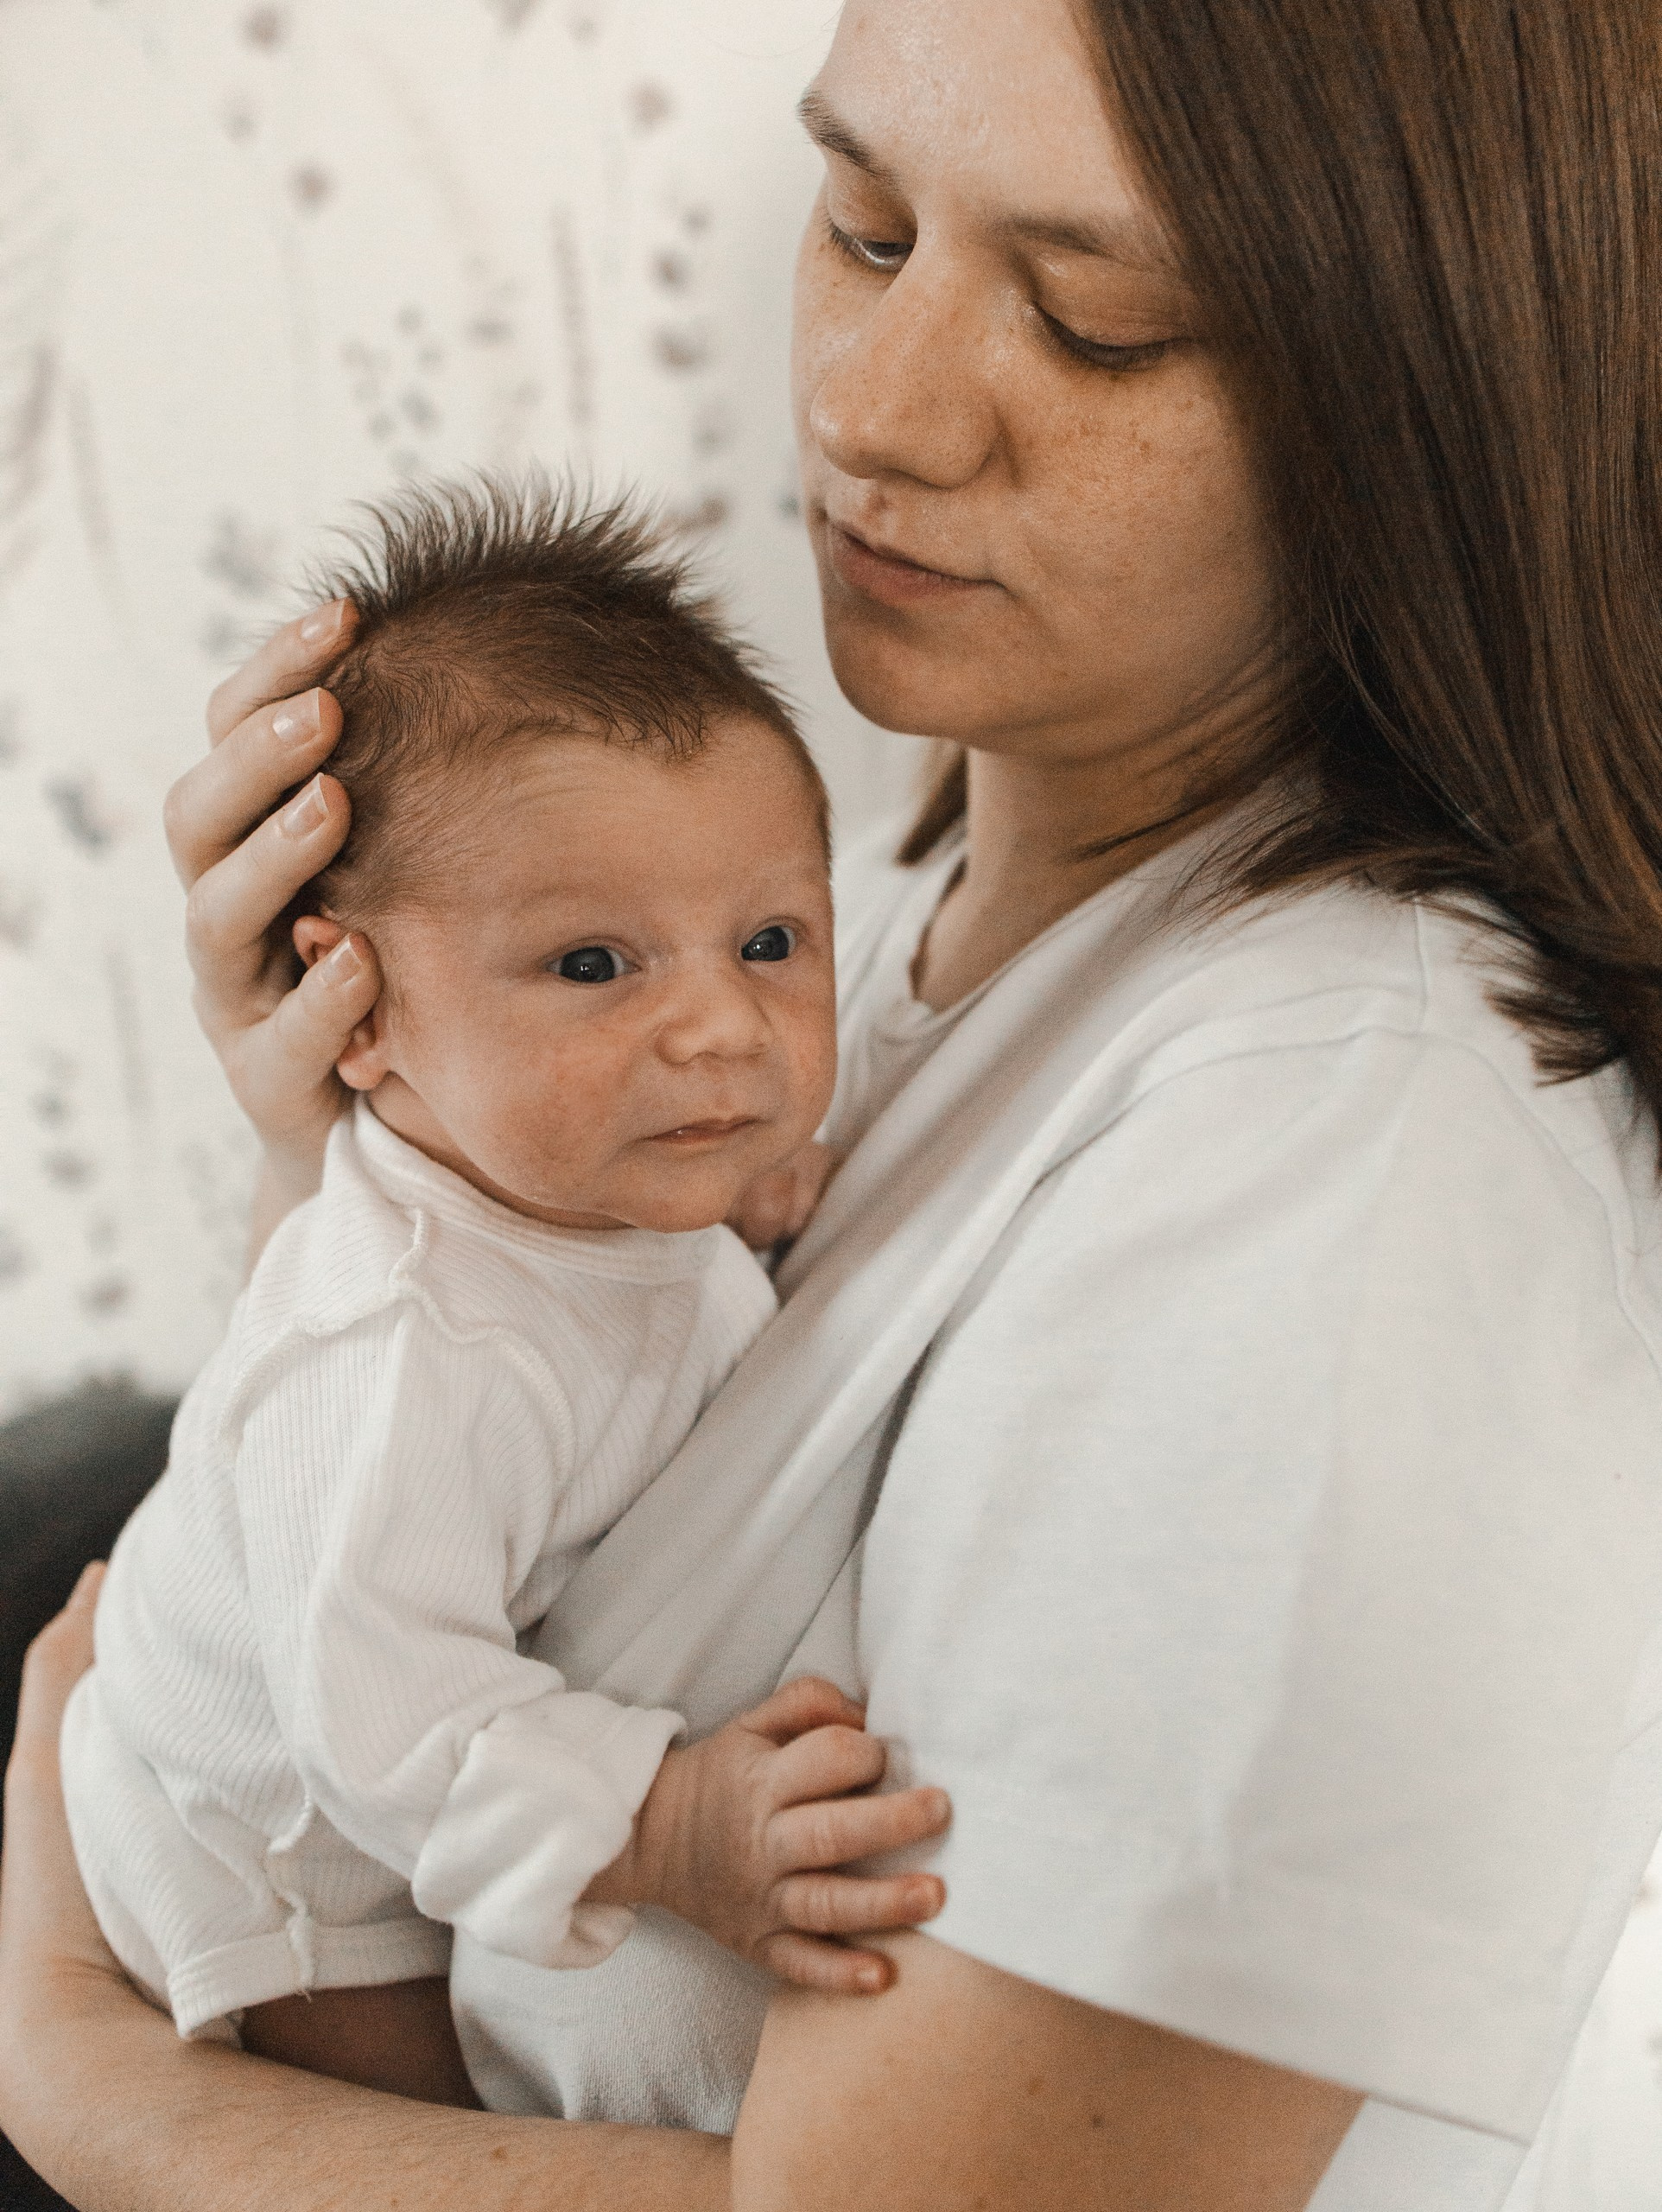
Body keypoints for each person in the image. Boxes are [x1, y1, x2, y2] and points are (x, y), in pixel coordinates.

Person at [3, 0, 1661, 2204]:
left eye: (1093, 324)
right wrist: (381, 1147)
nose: (866, 412)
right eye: (864, 226)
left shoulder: (1343, 1171)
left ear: (1441, 406)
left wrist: (90, 2081)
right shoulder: (872, 930)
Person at [54, 480, 948, 2098]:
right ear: (358, 1009)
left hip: (378, 1747)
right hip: (278, 1852)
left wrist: (735, 1205)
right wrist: (666, 1827)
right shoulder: (408, 1347)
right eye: (594, 966)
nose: (721, 1034)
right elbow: (387, 1735)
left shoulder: (602, 1170)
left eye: (768, 942)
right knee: (412, 2120)